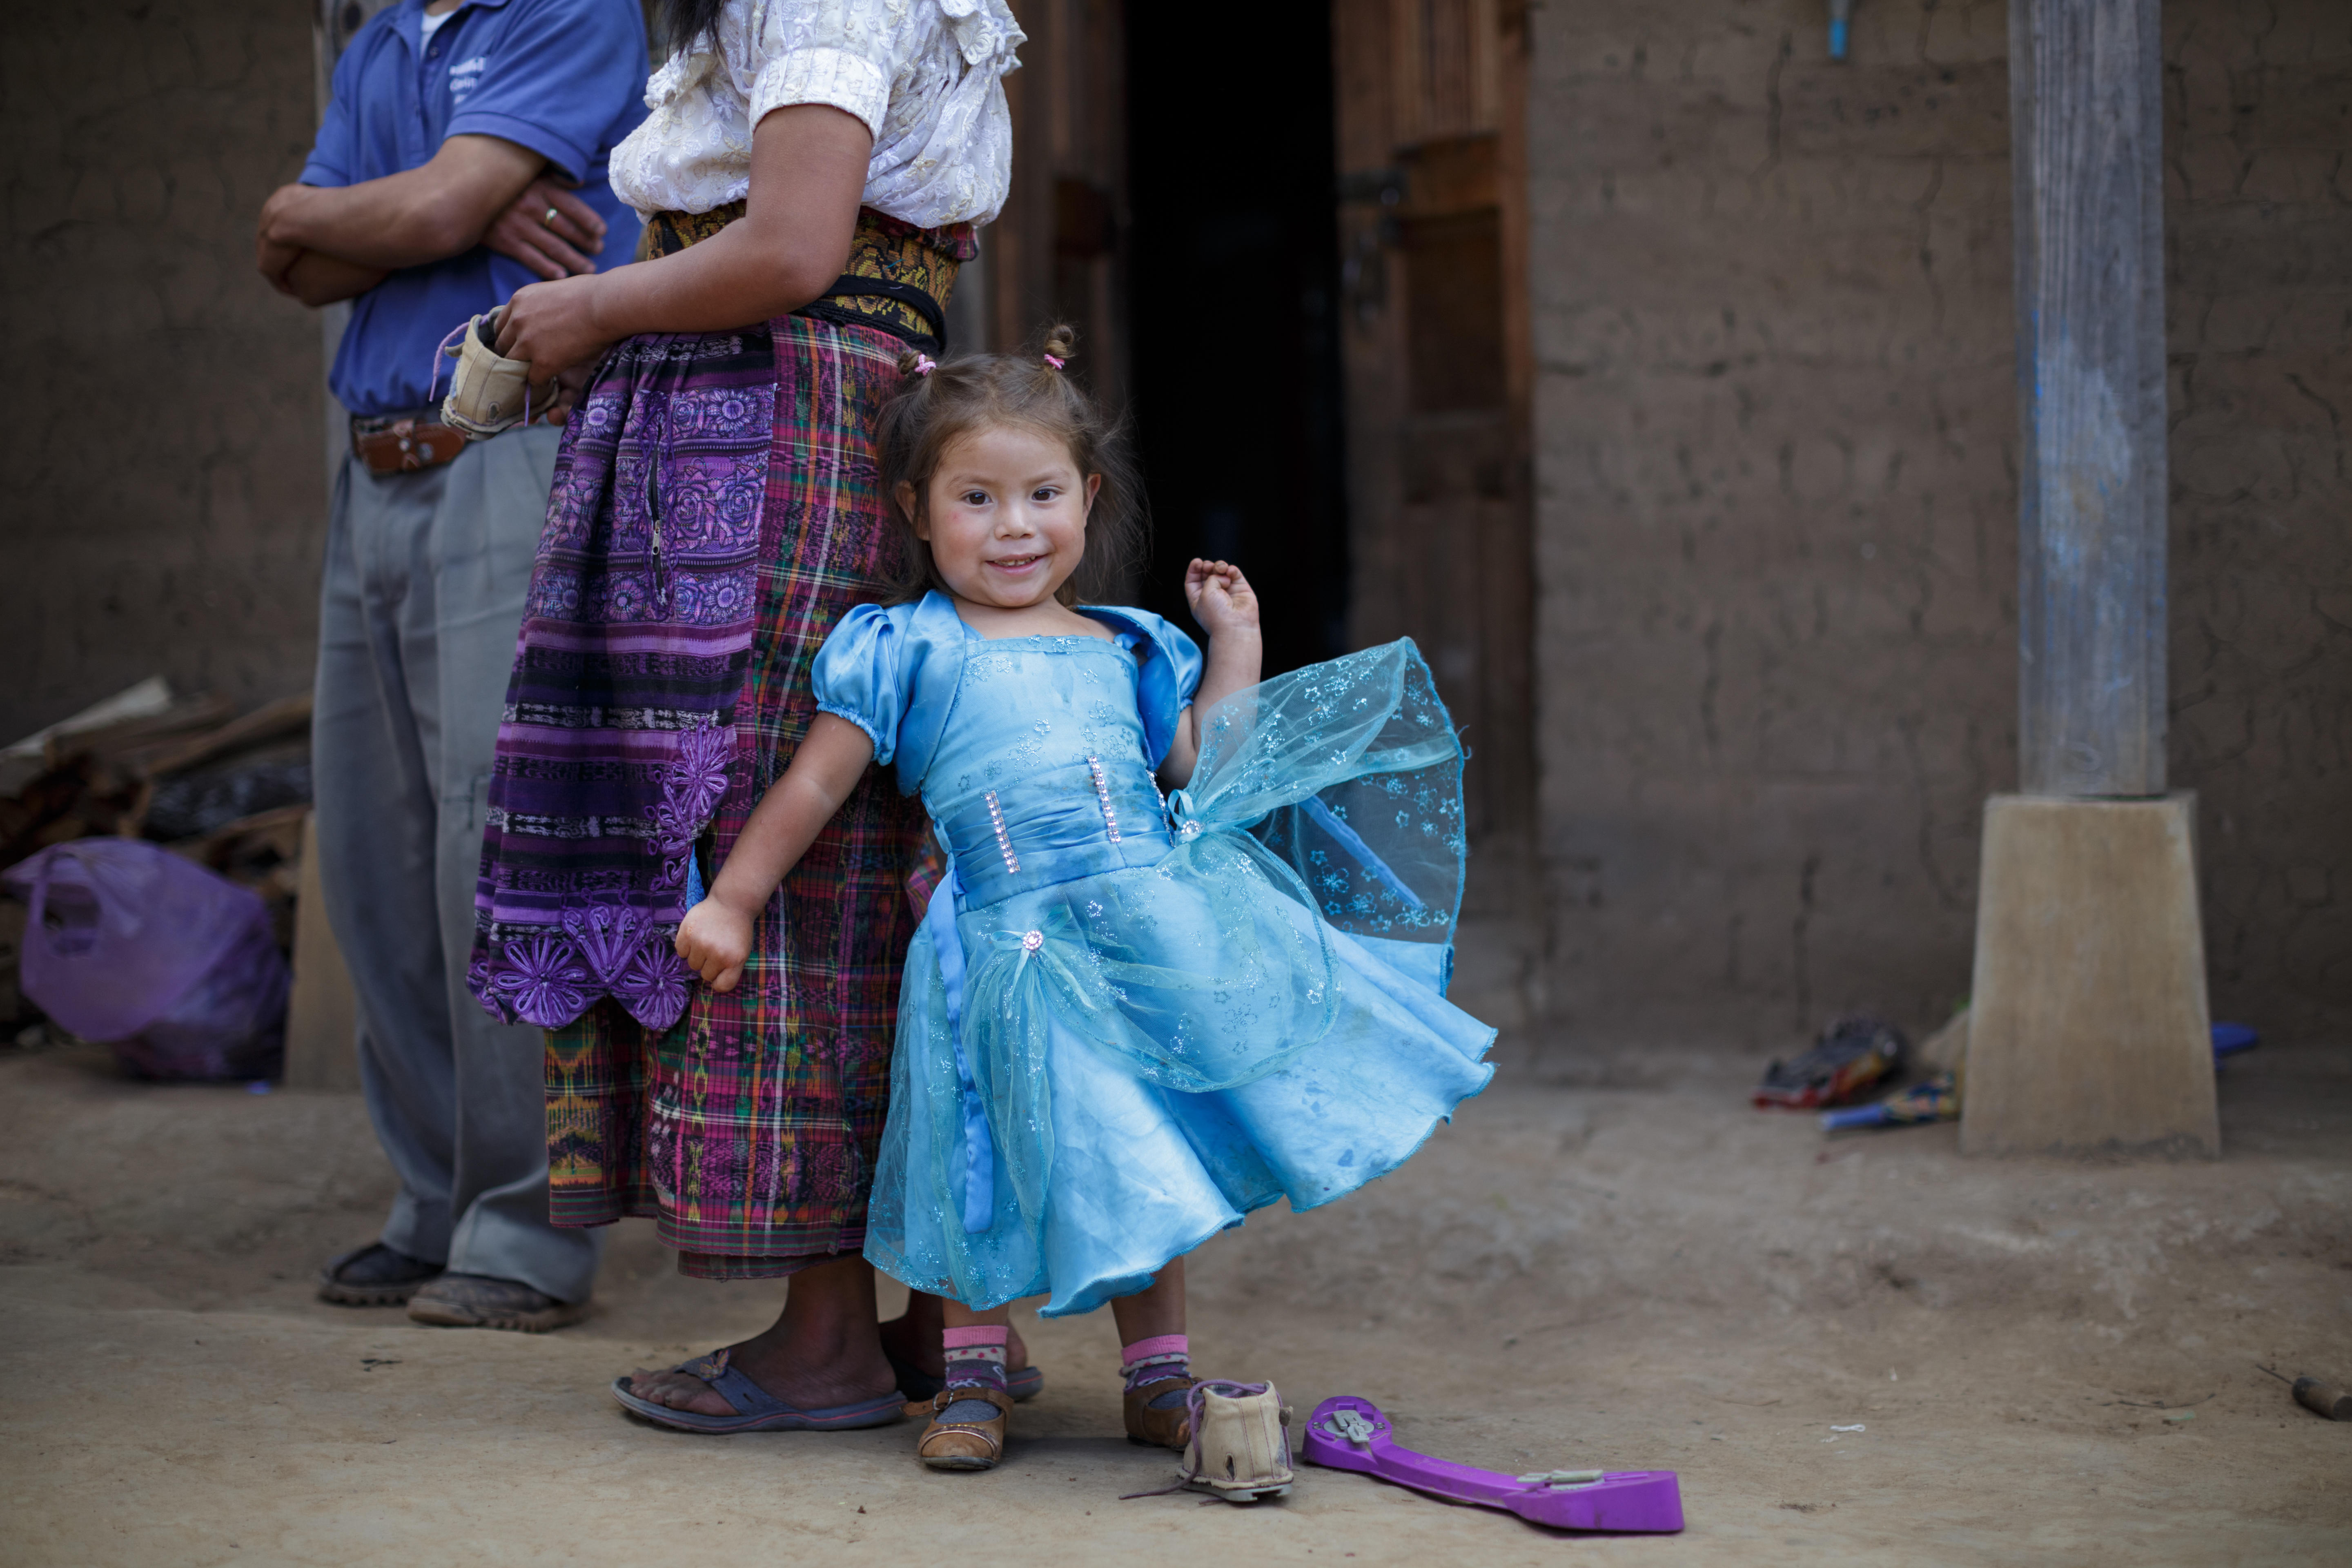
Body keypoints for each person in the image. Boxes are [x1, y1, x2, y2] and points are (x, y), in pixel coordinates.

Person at [670, 331, 1499, 1470]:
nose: (1015, 527)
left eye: (1043, 495)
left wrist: (1236, 646)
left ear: (1087, 496)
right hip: (1000, 946)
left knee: (1150, 1140)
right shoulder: (904, 646)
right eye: (978, 498)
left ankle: (1157, 1381)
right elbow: (816, 780)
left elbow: (1206, 767)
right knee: (983, 1148)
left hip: (1142, 936)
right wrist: (733, 898)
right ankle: (973, 1383)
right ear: (918, 511)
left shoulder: (1129, 648)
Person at [462, 0, 1031, 1425]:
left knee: (773, 834)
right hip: (804, 416)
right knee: (867, 836)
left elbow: (789, 249)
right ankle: (941, 1321)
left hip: (770, 433)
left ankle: (827, 1337)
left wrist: (588, 307)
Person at [255, 0, 650, 1331]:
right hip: (372, 467)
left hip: (504, 451)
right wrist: (436, 207)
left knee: (495, 851)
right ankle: (433, 1204)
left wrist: (415, 212)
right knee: (372, 848)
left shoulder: (567, 10)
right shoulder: (380, 43)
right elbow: (287, 259)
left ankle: (528, 1234)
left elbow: (397, 223)